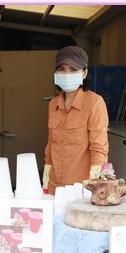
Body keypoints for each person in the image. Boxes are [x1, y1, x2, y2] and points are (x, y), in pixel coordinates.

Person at [42, 45, 109, 195]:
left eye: (73, 69)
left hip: (81, 191)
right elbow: (50, 147)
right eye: (61, 69)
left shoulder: (94, 102)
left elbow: (99, 148)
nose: (66, 73)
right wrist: (46, 182)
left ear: (84, 73)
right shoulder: (53, 104)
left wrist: (93, 185)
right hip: (54, 189)